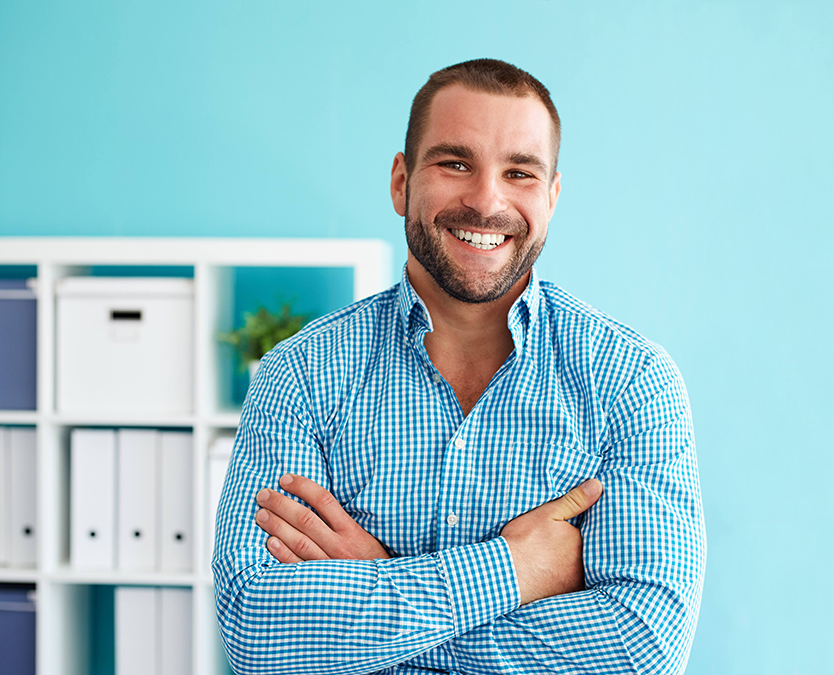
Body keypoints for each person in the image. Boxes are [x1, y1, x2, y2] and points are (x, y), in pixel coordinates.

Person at [213, 58, 706, 675]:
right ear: (401, 182)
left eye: (519, 172)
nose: (485, 201)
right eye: (455, 163)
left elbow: (643, 646)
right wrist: (516, 568)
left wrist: (380, 586)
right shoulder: (302, 372)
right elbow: (255, 630)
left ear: (551, 198)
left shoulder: (630, 379)